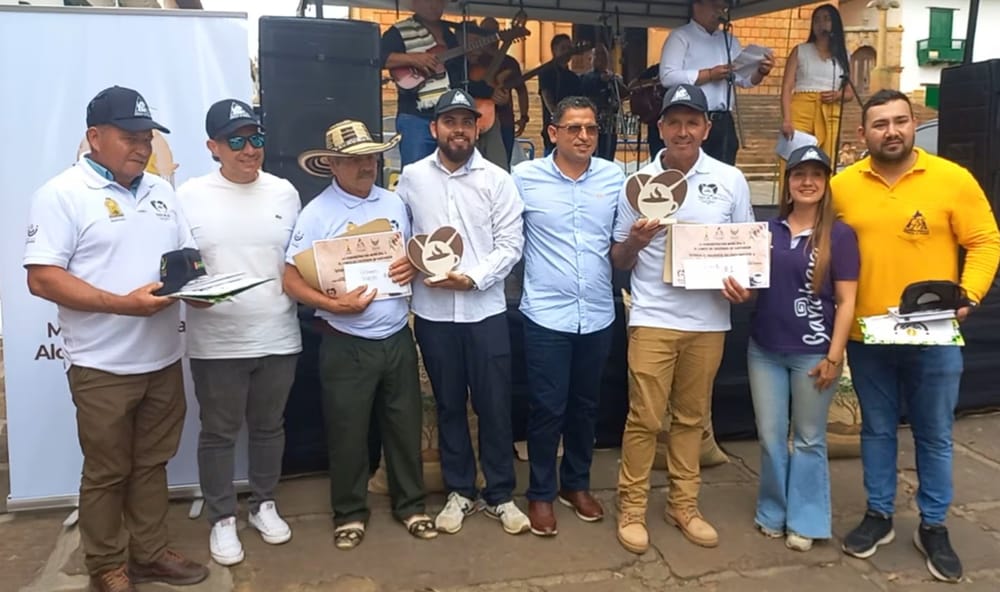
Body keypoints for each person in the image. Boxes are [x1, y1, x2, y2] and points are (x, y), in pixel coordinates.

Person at [23, 86, 209, 592]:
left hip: (163, 358)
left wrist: (199, 288)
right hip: (102, 365)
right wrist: (122, 304)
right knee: (107, 471)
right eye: (130, 137)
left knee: (152, 464)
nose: (142, 147)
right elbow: (42, 278)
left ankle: (148, 554)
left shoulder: (162, 191)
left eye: (147, 137)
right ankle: (106, 563)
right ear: (94, 137)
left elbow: (184, 262)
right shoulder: (62, 193)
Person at [831, 90, 1000, 583]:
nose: (891, 131)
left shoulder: (952, 179)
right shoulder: (842, 187)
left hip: (934, 332)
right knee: (877, 430)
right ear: (863, 134)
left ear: (913, 124)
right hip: (869, 335)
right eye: (879, 124)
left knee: (935, 434)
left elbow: (985, 240)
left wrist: (967, 295)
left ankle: (934, 523)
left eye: (900, 121)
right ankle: (880, 513)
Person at [282, 120, 437, 550]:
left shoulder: (394, 203)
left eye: (370, 156)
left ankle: (411, 504)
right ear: (332, 164)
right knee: (347, 431)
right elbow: (290, 277)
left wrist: (414, 265)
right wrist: (332, 305)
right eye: (354, 160)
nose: (366, 165)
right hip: (344, 338)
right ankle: (349, 512)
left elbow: (411, 258)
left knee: (404, 426)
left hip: (395, 336)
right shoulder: (316, 214)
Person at [613, 84, 754, 554]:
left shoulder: (730, 180)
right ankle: (631, 507)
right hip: (653, 316)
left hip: (709, 321)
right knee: (645, 418)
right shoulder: (635, 184)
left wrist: (742, 284)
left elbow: (746, 253)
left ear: (707, 128)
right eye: (674, 122)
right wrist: (636, 240)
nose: (683, 130)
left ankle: (683, 504)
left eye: (692, 121)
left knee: (692, 418)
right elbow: (618, 259)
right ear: (661, 128)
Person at [395, 89, 529, 535]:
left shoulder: (498, 180)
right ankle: (460, 491)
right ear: (434, 129)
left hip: (485, 311)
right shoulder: (411, 178)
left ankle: (501, 494)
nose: (459, 130)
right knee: (449, 404)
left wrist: (470, 278)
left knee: (493, 405)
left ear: (478, 128)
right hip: (433, 313)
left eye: (466, 122)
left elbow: (511, 246)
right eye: (449, 122)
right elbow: (404, 240)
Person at [175, 99, 301, 566]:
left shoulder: (285, 192)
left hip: (277, 333)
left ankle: (263, 504)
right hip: (216, 339)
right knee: (219, 433)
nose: (250, 149)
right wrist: (187, 293)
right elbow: (177, 267)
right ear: (213, 147)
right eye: (237, 140)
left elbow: (296, 261)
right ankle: (222, 517)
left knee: (270, 428)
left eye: (257, 138)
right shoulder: (187, 195)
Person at [722, 145, 858, 552]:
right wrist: (739, 291)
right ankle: (773, 510)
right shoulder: (768, 231)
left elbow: (847, 300)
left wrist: (835, 355)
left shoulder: (840, 234)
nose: (808, 182)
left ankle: (808, 520)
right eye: (800, 174)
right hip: (764, 348)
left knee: (811, 438)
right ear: (788, 182)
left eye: (816, 174)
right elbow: (751, 287)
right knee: (769, 436)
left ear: (826, 182)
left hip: (813, 352)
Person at [511, 96, 625, 536]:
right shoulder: (524, 178)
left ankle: (575, 485)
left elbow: (620, 243)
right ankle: (540, 493)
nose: (583, 136)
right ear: (553, 132)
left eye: (591, 128)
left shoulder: (614, 177)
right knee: (546, 409)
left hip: (597, 312)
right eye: (574, 128)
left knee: (586, 406)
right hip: (546, 315)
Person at [659, 0, 775, 165]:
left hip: (723, 120)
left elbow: (743, 81)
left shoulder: (729, 40)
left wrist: (761, 71)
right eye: (715, 6)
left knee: (723, 172)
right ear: (697, 6)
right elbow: (668, 76)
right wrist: (709, 75)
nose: (720, 12)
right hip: (692, 119)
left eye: (723, 8)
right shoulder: (681, 36)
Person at [380, 0, 493, 167]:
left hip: (448, 117)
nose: (434, 6)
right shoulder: (398, 32)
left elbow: (456, 75)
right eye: (428, 1)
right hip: (415, 115)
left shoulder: (450, 35)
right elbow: (379, 57)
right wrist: (414, 59)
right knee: (416, 172)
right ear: (415, 4)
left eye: (439, 2)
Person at [779, 5, 851, 177]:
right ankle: (789, 201)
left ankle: (822, 201)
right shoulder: (801, 51)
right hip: (801, 111)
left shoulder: (843, 56)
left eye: (826, 19)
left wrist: (837, 95)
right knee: (795, 160)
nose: (821, 24)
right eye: (817, 20)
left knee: (826, 162)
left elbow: (849, 93)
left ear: (835, 24)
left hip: (830, 111)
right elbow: (787, 87)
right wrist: (787, 120)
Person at [471, 16, 530, 168]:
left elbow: (522, 91)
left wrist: (524, 117)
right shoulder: (473, 59)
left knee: (501, 167)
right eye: (486, 32)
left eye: (494, 32)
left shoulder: (510, 62)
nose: (490, 36)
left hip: (504, 120)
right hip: (477, 121)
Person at [580, 45, 628, 162]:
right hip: (592, 124)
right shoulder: (586, 77)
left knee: (608, 156)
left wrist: (614, 81)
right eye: (598, 55)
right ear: (591, 59)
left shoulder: (614, 78)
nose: (601, 59)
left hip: (610, 124)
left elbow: (625, 93)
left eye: (604, 56)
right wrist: (601, 79)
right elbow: (586, 88)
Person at [539, 34, 583, 156]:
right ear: (554, 50)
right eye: (563, 48)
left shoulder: (574, 78)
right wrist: (556, 115)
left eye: (569, 48)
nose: (567, 52)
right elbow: (546, 95)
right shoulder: (546, 72)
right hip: (554, 127)